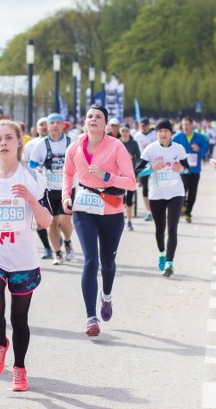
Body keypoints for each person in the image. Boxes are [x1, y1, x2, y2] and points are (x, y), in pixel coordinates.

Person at [0, 120, 52, 392]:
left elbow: (47, 221)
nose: (3, 143)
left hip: (23, 260)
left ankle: (19, 368)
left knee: (19, 320)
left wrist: (30, 198)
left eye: (8, 138)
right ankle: (0, 343)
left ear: (19, 141)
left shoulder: (33, 178)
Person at [61, 105, 136, 336]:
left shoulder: (116, 147)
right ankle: (91, 317)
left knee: (107, 264)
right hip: (84, 208)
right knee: (90, 262)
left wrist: (107, 177)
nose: (93, 120)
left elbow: (131, 182)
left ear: (105, 124)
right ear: (85, 121)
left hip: (111, 210)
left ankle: (107, 295)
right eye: (90, 116)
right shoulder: (74, 147)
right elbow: (68, 173)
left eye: (98, 117)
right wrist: (66, 195)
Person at [135, 119, 190, 277]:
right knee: (160, 229)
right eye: (160, 131)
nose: (163, 134)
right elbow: (137, 171)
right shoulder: (150, 150)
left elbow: (188, 169)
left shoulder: (179, 149)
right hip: (157, 194)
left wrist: (182, 169)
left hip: (176, 193)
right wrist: (151, 168)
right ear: (157, 133)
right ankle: (161, 252)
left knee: (172, 229)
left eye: (166, 131)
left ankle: (169, 262)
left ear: (171, 133)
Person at [29, 113, 75, 264]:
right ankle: (57, 253)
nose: (55, 125)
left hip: (67, 188)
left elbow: (82, 160)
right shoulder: (41, 144)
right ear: (47, 126)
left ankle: (67, 241)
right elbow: (32, 165)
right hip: (48, 189)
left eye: (58, 123)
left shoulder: (71, 142)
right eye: (52, 123)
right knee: (52, 223)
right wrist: (38, 170)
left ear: (63, 126)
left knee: (64, 219)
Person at [23, 117, 53, 260]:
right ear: (36, 128)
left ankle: (57, 239)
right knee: (40, 221)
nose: (44, 127)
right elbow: (25, 163)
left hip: (54, 186)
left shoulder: (56, 143)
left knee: (56, 219)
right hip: (36, 186)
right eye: (41, 124)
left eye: (46, 124)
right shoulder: (30, 145)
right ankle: (47, 247)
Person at [172, 117, 208, 223]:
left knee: (192, 193)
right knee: (182, 189)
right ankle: (182, 206)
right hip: (182, 169)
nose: (185, 127)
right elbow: (170, 147)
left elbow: (206, 149)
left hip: (195, 169)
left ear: (192, 125)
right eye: (183, 125)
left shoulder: (199, 137)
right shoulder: (177, 137)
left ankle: (188, 213)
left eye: (187, 124)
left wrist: (199, 149)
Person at [133, 118, 157, 221]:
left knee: (155, 187)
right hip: (142, 164)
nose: (143, 127)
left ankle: (156, 210)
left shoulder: (154, 134)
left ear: (148, 125)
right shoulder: (137, 135)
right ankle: (149, 211)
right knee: (145, 189)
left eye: (145, 125)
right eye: (142, 125)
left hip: (154, 164)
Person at [119, 124, 141, 231]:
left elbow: (139, 159)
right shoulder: (117, 143)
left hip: (131, 173)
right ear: (120, 132)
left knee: (129, 199)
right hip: (119, 174)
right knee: (120, 198)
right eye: (123, 131)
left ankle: (129, 221)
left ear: (129, 132)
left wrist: (132, 157)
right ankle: (120, 219)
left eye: (126, 131)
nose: (125, 133)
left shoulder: (134, 143)